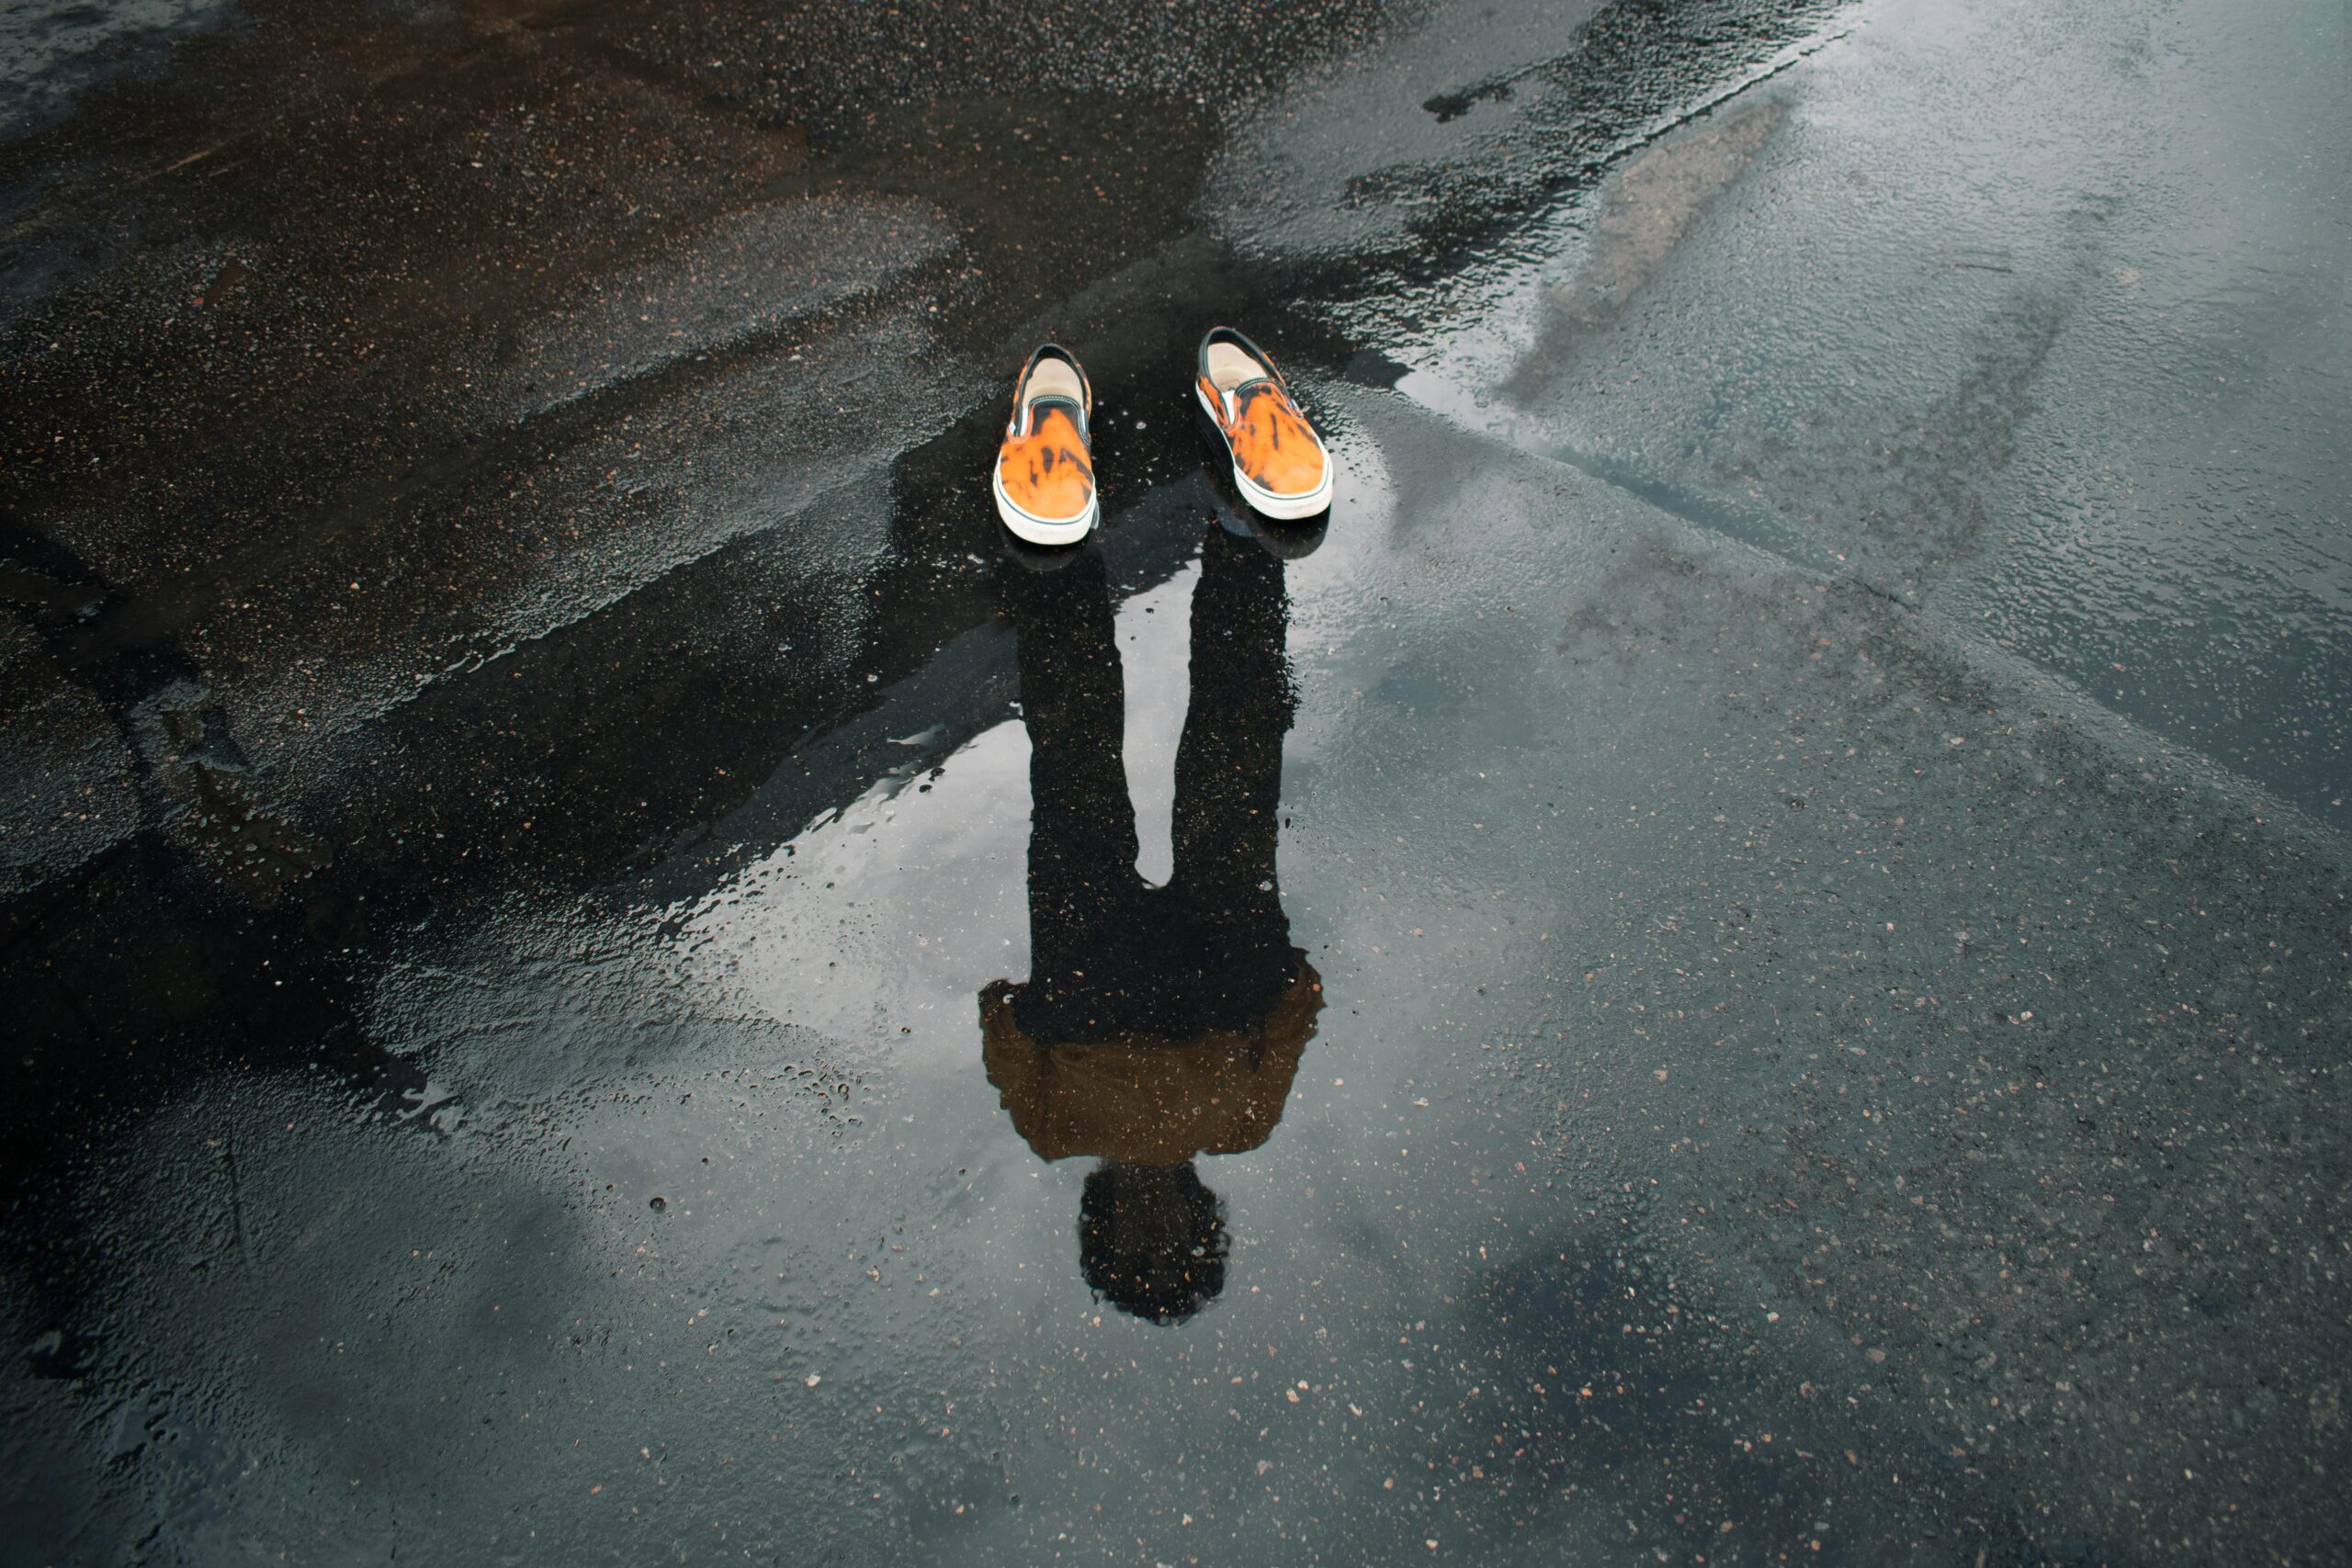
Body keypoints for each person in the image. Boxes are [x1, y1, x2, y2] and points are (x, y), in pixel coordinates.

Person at [980, 522, 1323, 1325]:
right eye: (1170, 1240)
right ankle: (1058, 563)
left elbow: (1298, 996)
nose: (1155, 1225)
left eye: (1145, 1242)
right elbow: (1001, 1014)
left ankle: (1245, 542)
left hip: (1218, 974)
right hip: (1090, 979)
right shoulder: (1053, 1127)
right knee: (1075, 769)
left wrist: (1271, 968)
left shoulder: (1244, 1123)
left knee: (1233, 756)